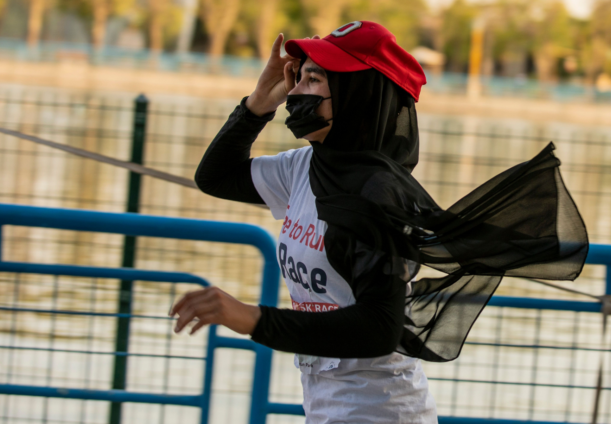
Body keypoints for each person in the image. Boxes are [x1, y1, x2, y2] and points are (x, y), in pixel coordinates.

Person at [170, 21, 588, 422]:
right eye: (298, 77)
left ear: (358, 96)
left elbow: (379, 327)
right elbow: (216, 177)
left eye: (313, 80)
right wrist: (258, 103)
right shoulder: (305, 167)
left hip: (377, 410)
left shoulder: (376, 193)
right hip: (325, 403)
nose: (294, 92)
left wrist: (251, 318)